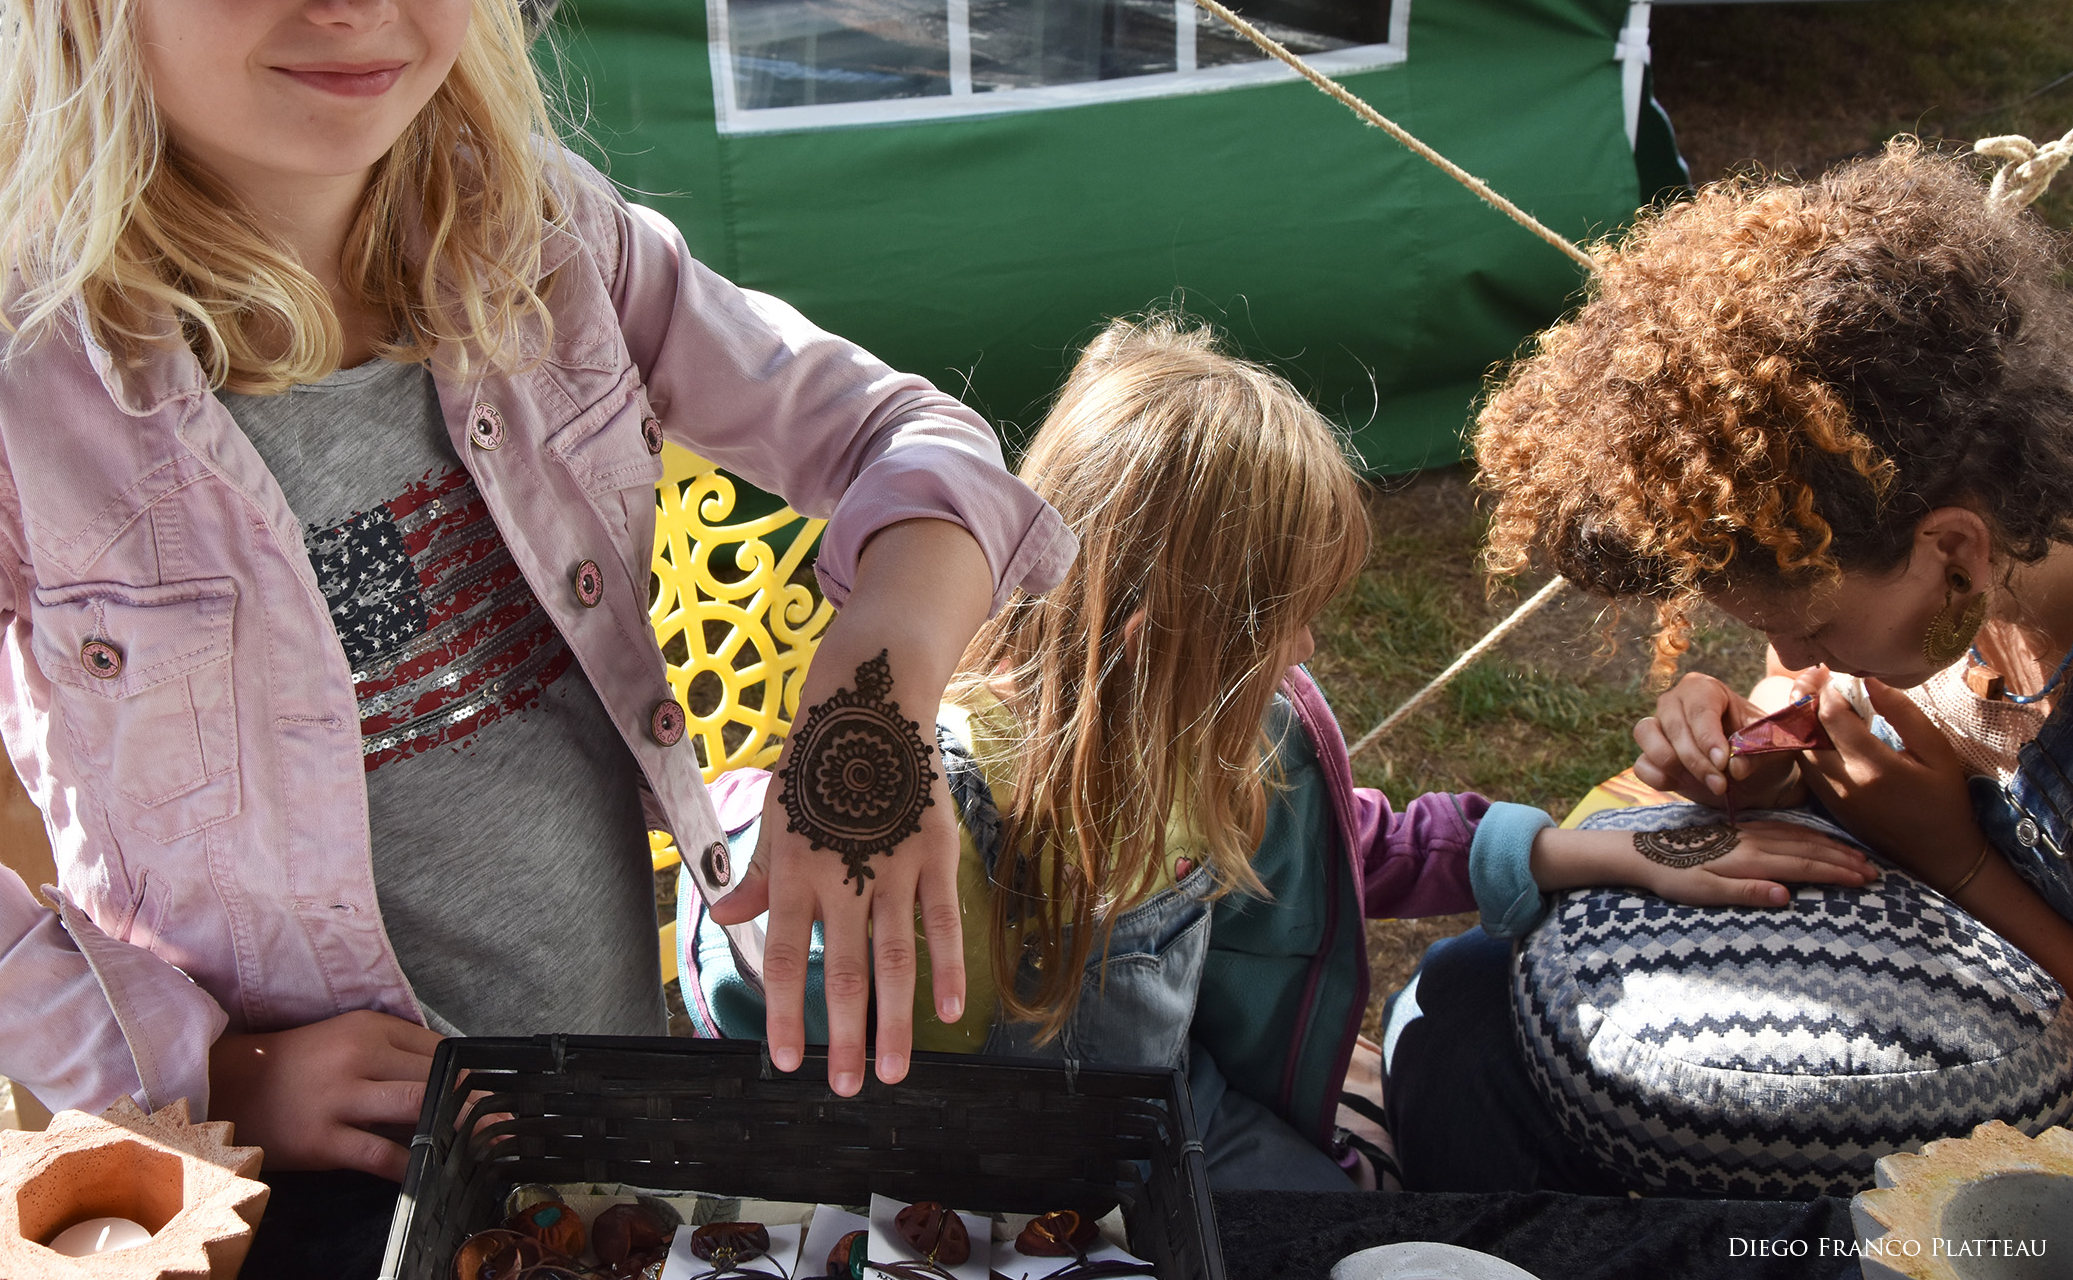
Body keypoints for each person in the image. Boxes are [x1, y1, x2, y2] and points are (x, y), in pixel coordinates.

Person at [0, 0, 1074, 1181]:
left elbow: (911, 441)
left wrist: (870, 707)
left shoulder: (543, 246)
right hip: (294, 1188)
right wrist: (201, 1069)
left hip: (604, 1105)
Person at [680, 318, 1871, 1189]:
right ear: (1160, 642)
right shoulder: (931, 806)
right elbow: (757, 952)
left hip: (1166, 1127)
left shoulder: (1240, 733)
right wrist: (745, 846)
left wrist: (1578, 853)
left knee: (1349, 1238)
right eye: (1283, 622)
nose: (1306, 651)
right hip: (920, 1169)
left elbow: (1347, 847)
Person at [1388, 138, 2073, 1192]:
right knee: (1466, 1004)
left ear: (1955, 551)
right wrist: (1768, 742)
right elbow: (1797, 681)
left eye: (1817, 628)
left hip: (2015, 1132)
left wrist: (1958, 858)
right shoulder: (1931, 566)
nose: (1793, 654)